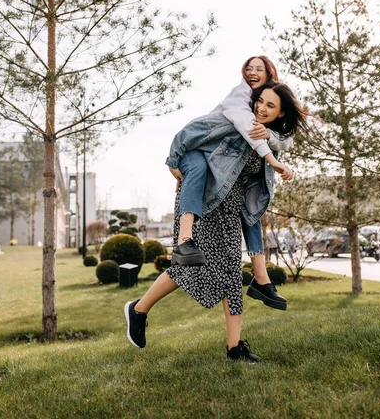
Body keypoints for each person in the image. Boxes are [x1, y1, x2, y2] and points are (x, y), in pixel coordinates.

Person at [124, 81, 307, 362]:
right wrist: (176, 163)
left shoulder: (270, 138)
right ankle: (138, 310)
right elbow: (194, 136)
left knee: (231, 275)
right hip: (204, 204)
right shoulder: (235, 123)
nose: (261, 107)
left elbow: (276, 153)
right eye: (261, 101)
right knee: (190, 269)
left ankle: (235, 349)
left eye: (270, 106)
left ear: (280, 114)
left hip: (230, 211)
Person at [169, 55, 293, 273]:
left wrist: (271, 135)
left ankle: (261, 277)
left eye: (259, 69)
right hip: (194, 148)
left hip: (209, 153)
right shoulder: (240, 98)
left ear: (269, 74)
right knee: (198, 168)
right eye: (249, 68)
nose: (252, 72)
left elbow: (288, 139)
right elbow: (248, 128)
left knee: (251, 200)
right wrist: (272, 159)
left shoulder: (262, 99)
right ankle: (184, 241)